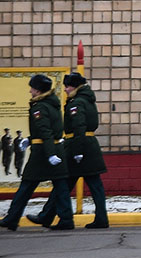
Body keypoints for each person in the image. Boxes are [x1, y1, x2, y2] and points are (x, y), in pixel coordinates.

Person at [32, 73, 108, 229]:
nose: (66, 90)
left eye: (68, 86)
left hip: (78, 146)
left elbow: (79, 126)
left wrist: (77, 151)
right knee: (94, 186)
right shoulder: (87, 99)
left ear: (75, 86)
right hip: (88, 146)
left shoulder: (77, 102)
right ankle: (101, 218)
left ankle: (48, 216)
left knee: (62, 183)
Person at [1, 75, 73, 231]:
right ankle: (66, 219)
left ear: (38, 90)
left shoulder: (39, 107)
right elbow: (52, 129)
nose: (30, 91)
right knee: (60, 187)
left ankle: (12, 218)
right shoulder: (52, 104)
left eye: (32, 88)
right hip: (54, 150)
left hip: (42, 153)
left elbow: (45, 131)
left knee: (26, 185)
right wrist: (30, 139)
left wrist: (49, 154)